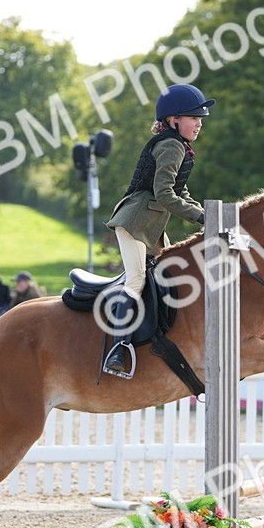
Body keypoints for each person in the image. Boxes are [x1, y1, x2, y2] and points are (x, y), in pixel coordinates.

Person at [103, 83, 212, 377]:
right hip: (135, 221)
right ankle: (117, 349)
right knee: (136, 280)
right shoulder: (170, 145)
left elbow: (181, 192)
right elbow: (164, 195)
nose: (200, 123)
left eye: (200, 118)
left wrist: (208, 213)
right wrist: (202, 220)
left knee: (162, 278)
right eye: (194, 118)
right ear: (174, 120)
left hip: (149, 227)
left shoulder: (178, 147)